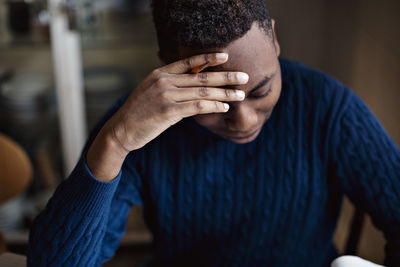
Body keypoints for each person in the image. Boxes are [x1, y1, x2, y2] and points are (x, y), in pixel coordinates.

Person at [28, 0, 400, 266]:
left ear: (273, 38)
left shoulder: (327, 107)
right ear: (167, 66)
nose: (244, 121)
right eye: (213, 102)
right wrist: (114, 143)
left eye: (261, 91)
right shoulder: (140, 127)